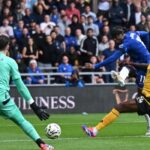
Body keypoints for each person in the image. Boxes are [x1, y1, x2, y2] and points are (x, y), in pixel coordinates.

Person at [84, 27, 150, 135]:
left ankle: (121, 77)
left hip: (147, 94)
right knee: (129, 71)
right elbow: (146, 34)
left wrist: (96, 65)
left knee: (132, 97)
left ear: (118, 36)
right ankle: (121, 77)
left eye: (115, 39)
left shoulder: (127, 42)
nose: (115, 41)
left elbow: (113, 57)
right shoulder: (132, 34)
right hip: (143, 75)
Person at [0, 34, 54, 150]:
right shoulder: (10, 62)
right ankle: (42, 145)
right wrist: (34, 106)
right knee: (22, 122)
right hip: (3, 100)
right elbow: (21, 86)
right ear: (8, 46)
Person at [82, 62, 150, 138]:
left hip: (147, 99)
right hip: (144, 97)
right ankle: (94, 130)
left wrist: (132, 63)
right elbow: (145, 66)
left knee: (120, 107)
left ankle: (94, 130)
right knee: (120, 107)